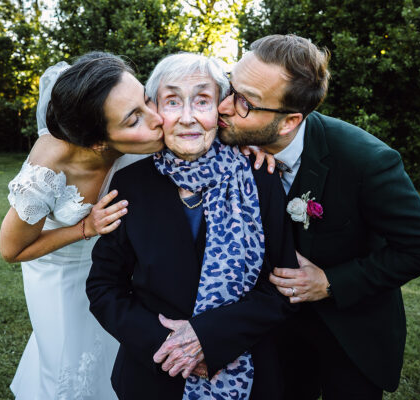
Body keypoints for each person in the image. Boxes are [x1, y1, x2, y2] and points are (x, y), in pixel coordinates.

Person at [217, 34, 420, 399]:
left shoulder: (367, 160)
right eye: (230, 87)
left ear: (290, 120)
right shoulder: (231, 143)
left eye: (245, 102)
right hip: (272, 336)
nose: (224, 107)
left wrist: (330, 282)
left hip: (350, 335)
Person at [86, 53, 298, 400]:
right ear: (155, 111)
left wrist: (209, 339)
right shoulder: (130, 184)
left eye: (202, 100)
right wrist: (166, 345)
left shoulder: (260, 177)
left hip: (248, 369)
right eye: (172, 101)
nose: (187, 118)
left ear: (220, 109)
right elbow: (104, 287)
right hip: (154, 375)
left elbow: (281, 285)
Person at [0, 52, 164, 400]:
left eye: (147, 100)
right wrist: (84, 228)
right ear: (97, 142)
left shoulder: (144, 137)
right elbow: (12, 250)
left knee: (114, 351)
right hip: (57, 274)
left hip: (112, 269)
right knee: (66, 360)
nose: (158, 118)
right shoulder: (47, 170)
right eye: (134, 118)